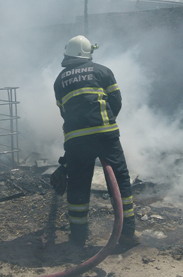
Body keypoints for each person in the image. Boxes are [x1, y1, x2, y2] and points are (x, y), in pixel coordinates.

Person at [52, 35, 139, 246]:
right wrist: (105, 123)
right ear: (88, 53)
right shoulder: (103, 71)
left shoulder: (59, 80)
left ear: (68, 54)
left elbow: (64, 112)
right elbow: (116, 102)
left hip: (76, 140)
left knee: (78, 186)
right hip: (105, 135)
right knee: (120, 182)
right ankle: (127, 235)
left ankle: (78, 237)